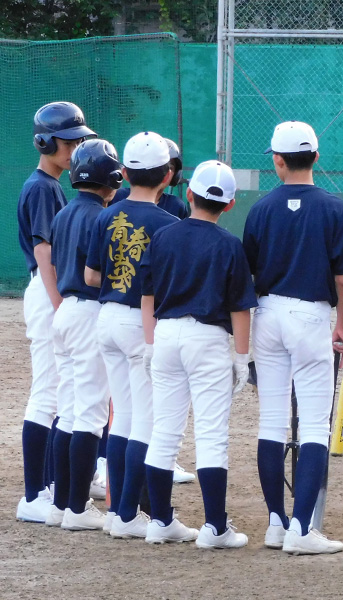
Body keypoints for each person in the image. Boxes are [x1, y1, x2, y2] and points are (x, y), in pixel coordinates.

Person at [243, 121, 343, 554]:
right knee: (314, 423)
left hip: (269, 313)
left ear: (277, 160)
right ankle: (301, 529)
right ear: (316, 156)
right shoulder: (335, 208)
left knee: (272, 419)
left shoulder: (260, 209)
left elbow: (251, 272)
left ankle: (276, 522)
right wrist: (340, 323)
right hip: (311, 315)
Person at [141, 160, 256, 549]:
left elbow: (148, 295)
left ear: (189, 194)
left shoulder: (163, 236)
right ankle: (215, 528)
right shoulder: (229, 245)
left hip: (166, 333)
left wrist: (150, 342)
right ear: (229, 204)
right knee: (210, 434)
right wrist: (242, 358)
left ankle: (159, 520)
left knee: (164, 432)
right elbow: (241, 308)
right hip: (206, 339)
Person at [85, 131, 180, 537]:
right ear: (166, 177)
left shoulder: (106, 213)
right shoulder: (169, 222)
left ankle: (116, 512)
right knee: (145, 420)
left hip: (106, 317)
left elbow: (90, 275)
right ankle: (126, 514)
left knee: (121, 416)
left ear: (124, 173)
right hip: (143, 324)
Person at [16, 101, 95, 524]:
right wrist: (60, 301)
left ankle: (49, 485)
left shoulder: (50, 184)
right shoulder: (43, 187)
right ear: (46, 142)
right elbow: (44, 251)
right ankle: (33, 495)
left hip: (49, 292)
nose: (75, 148)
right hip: (47, 291)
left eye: (79, 140)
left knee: (60, 392)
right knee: (47, 392)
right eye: (68, 142)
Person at [47, 138, 121, 530]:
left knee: (69, 410)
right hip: (91, 310)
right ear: (110, 177)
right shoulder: (103, 217)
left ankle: (61, 504)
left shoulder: (63, 213)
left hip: (65, 311)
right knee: (90, 416)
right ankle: (77, 509)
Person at [109, 137, 190, 220]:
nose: (162, 172)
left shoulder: (176, 205)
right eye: (157, 166)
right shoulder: (118, 196)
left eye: (169, 167)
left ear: (174, 174)